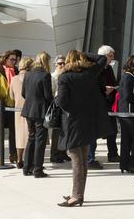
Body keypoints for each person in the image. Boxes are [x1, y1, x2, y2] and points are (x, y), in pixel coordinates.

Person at [56, 49, 109, 207]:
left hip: (72, 121)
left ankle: (77, 196)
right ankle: (78, 193)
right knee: (82, 159)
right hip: (87, 120)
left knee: (77, 159)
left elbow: (62, 102)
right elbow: (102, 58)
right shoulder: (90, 73)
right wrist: (84, 53)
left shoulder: (64, 77)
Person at [21, 51, 53, 178]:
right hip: (40, 111)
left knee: (31, 137)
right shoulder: (45, 75)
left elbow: (24, 93)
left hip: (28, 110)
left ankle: (27, 167)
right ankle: (38, 169)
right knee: (40, 140)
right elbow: (47, 96)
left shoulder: (28, 74)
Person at [11, 56, 32, 169]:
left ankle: (19, 159)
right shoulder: (32, 78)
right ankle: (29, 160)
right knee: (30, 135)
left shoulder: (14, 79)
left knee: (19, 136)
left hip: (18, 110)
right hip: (30, 109)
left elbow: (11, 96)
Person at [49, 54, 68, 163]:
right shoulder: (52, 77)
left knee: (65, 131)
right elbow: (51, 93)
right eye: (59, 63)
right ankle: (54, 154)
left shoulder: (66, 75)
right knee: (56, 133)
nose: (62, 65)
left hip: (65, 107)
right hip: (56, 107)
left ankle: (63, 152)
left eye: (63, 63)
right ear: (55, 64)